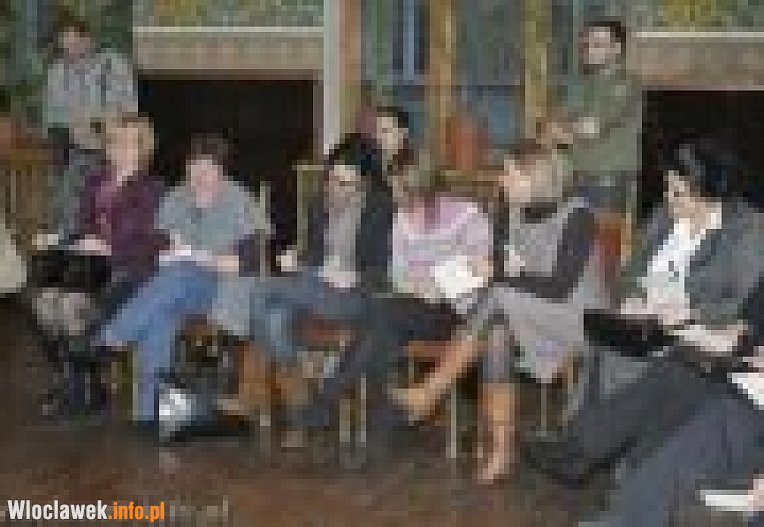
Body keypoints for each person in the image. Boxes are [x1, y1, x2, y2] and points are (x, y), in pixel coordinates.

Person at [523, 140, 764, 488]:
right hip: (645, 322)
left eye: (679, 193)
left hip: (695, 332)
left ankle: (586, 452)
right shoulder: (664, 216)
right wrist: (633, 298)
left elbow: (747, 304)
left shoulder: (747, 229)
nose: (669, 200)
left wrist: (690, 311)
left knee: (644, 363)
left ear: (710, 194)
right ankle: (596, 455)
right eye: (667, 188)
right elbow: (628, 274)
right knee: (609, 345)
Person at [392, 139, 604, 483]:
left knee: (500, 295)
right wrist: (468, 274)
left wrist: (498, 274)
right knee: (496, 333)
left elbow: (559, 286)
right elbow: (501, 269)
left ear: (533, 177)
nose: (501, 180)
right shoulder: (507, 211)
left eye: (508, 173)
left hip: (577, 315)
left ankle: (432, 389)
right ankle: (501, 451)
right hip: (523, 307)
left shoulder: (578, 216)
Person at [97, 134, 270, 424]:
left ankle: (112, 338)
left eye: (206, 168)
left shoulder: (239, 199)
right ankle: (148, 414)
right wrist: (165, 252)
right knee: (160, 317)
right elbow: (155, 247)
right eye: (193, 167)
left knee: (181, 273)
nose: (198, 175)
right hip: (177, 288)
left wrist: (200, 257)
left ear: (220, 170)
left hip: (225, 289)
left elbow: (250, 264)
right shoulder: (176, 197)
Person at [29, 112, 164, 417]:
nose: (120, 149)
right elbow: (84, 228)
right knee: (43, 301)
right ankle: (76, 382)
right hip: (92, 268)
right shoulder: (95, 182)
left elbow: (149, 242)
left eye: (129, 143)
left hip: (131, 272)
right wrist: (59, 238)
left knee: (70, 305)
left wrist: (108, 246)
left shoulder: (152, 188)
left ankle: (82, 388)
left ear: (143, 148)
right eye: (115, 142)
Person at [43, 12, 137, 241]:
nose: (71, 52)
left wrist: (101, 125)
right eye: (65, 46)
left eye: (75, 44)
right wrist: (71, 126)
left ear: (88, 39)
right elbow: (51, 116)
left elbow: (130, 110)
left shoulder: (112, 64)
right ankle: (67, 247)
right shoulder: (56, 72)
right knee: (66, 207)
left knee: (111, 210)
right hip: (74, 151)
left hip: (114, 149)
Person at [552, 19, 641, 216]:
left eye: (598, 45)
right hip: (574, 176)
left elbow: (591, 129)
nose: (589, 50)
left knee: (605, 233)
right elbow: (553, 129)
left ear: (617, 49)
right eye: (586, 45)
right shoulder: (580, 85)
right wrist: (572, 129)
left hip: (607, 180)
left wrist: (569, 129)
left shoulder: (627, 86)